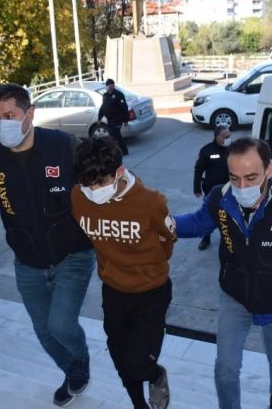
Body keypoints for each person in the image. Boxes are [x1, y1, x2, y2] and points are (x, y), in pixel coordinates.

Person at [0, 83, 95, 407]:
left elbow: (103, 185)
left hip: (72, 255)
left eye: (10, 115)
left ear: (30, 114)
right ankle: (73, 372)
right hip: (27, 264)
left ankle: (80, 359)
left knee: (61, 324)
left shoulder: (64, 146)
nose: (1, 124)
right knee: (44, 332)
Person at [174, 138, 272, 409]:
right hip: (234, 297)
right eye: (234, 178)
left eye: (251, 177)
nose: (242, 187)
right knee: (225, 369)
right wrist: (165, 223)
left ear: (269, 169)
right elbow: (199, 223)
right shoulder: (220, 197)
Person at [71, 137, 175, 409]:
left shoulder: (150, 202)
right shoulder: (78, 196)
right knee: (120, 357)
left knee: (138, 363)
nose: (93, 191)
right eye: (87, 184)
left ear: (118, 172)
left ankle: (156, 375)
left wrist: (147, 265)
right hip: (113, 291)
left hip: (151, 291)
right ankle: (139, 404)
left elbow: (167, 240)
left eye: (100, 182)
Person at [193, 126, 231, 250]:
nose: (228, 138)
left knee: (227, 215)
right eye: (226, 136)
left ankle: (227, 239)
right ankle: (206, 238)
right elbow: (199, 170)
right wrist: (197, 188)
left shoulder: (232, 149)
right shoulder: (207, 150)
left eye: (229, 136)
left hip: (228, 189)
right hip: (211, 190)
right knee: (209, 214)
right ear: (217, 137)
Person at [98, 78, 130, 155]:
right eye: (107, 85)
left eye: (109, 84)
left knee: (116, 135)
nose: (107, 86)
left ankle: (124, 151)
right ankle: (118, 151)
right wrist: (99, 118)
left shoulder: (119, 94)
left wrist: (125, 120)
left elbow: (124, 107)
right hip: (109, 120)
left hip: (117, 119)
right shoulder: (105, 95)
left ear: (113, 85)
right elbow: (103, 107)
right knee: (113, 135)